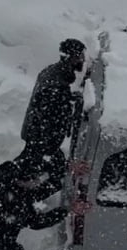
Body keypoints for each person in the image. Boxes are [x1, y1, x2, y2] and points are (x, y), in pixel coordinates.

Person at [19, 37, 88, 185]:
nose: (82, 60)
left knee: (29, 166)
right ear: (72, 57)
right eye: (80, 56)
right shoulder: (57, 82)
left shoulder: (53, 73)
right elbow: (47, 112)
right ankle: (16, 196)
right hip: (40, 138)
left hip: (36, 136)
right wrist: (48, 142)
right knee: (31, 174)